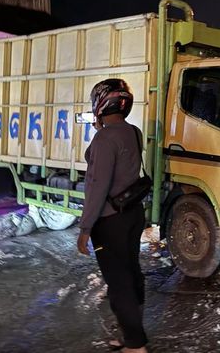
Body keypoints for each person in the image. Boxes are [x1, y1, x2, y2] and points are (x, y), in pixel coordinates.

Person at [76, 79, 148, 353]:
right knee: (131, 273)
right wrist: (100, 131)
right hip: (132, 214)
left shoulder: (104, 139)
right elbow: (94, 157)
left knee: (119, 283)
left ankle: (136, 344)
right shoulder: (134, 132)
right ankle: (132, 334)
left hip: (109, 222)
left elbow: (97, 186)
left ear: (100, 104)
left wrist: (85, 229)